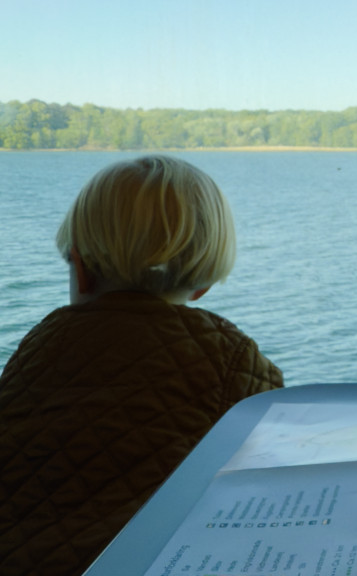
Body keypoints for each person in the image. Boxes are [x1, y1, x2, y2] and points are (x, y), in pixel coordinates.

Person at [0, 155, 283, 575]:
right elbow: (274, 479)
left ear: (80, 268)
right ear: (204, 284)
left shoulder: (38, 346)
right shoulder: (232, 358)